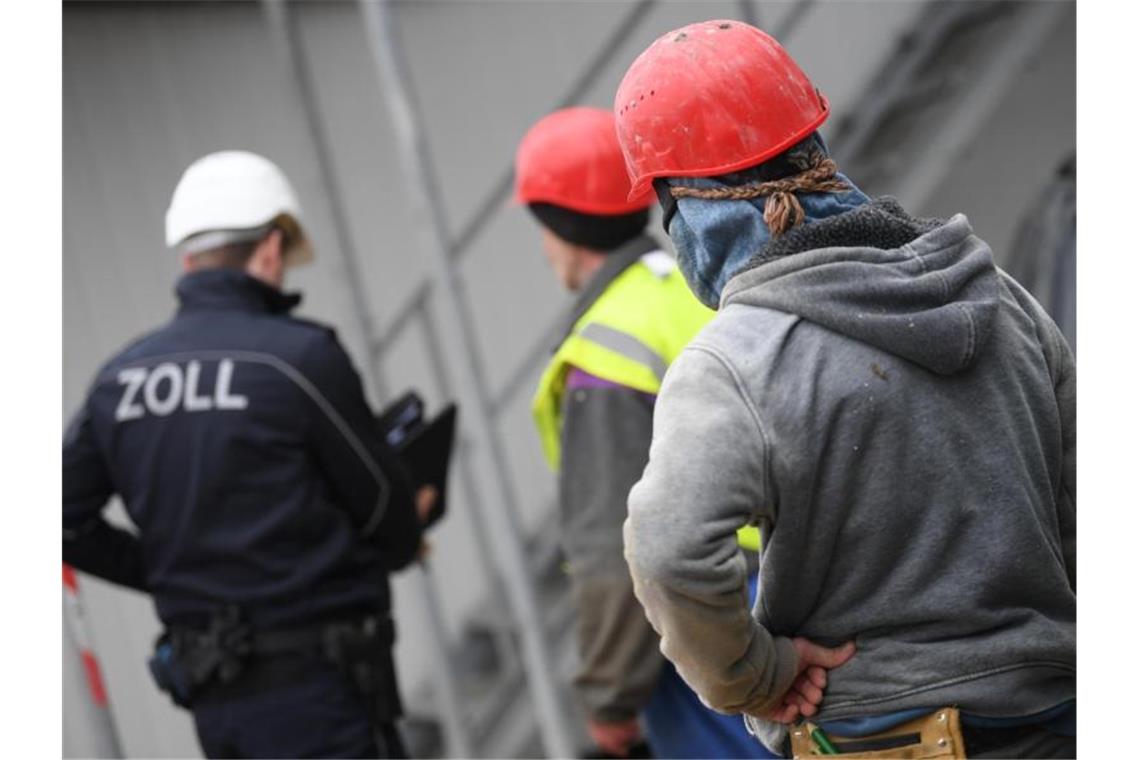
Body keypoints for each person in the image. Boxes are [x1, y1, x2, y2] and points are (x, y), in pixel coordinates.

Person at [615, 21, 1076, 759]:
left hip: (879, 733)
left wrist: (756, 675)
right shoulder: (1004, 302)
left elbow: (669, 551)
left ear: (693, 209)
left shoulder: (738, 358)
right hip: (1059, 720)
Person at [63, 150, 434, 759]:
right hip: (323, 695)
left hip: (217, 705)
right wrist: (407, 519)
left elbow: (60, 515)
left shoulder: (119, 380)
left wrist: (163, 568)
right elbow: (384, 517)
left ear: (188, 260)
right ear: (268, 249)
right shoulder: (299, 359)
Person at [517, 107, 774, 759]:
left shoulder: (604, 349)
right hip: (787, 592)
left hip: (703, 626)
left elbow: (614, 549)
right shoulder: (701, 287)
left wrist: (609, 701)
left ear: (557, 227)